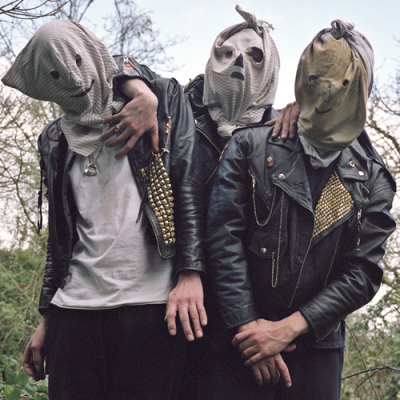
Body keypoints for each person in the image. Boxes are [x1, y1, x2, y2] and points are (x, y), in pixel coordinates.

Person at [2, 19, 207, 400]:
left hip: (152, 308)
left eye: (78, 61)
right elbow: (61, 237)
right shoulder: (53, 138)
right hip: (74, 314)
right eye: (55, 74)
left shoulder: (161, 100)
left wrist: (190, 272)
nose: (73, 79)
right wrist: (49, 314)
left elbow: (188, 187)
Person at [205, 19, 396, 400]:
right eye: (317, 80)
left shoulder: (373, 178)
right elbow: (222, 237)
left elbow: (363, 272)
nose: (325, 95)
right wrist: (248, 327)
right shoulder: (250, 145)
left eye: (340, 85)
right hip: (236, 343)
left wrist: (287, 329)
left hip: (316, 350)